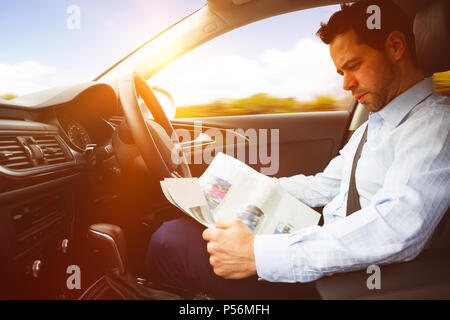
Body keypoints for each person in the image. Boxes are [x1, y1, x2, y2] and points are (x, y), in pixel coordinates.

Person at [146, 0, 450, 299]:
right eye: (341, 72)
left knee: (169, 241)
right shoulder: (378, 123)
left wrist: (255, 255)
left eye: (353, 66)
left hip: (350, 278)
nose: (346, 84)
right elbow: (325, 186)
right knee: (179, 228)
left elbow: (396, 228)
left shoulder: (435, 126)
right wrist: (250, 189)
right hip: (323, 242)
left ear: (396, 47)